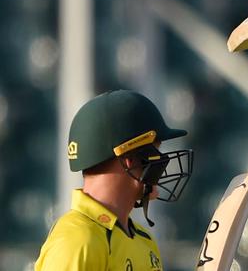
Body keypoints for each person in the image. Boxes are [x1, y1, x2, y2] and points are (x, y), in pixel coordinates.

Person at [35, 90, 194, 270]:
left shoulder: (144, 239)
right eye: (157, 151)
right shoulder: (78, 241)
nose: (164, 163)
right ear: (130, 160)